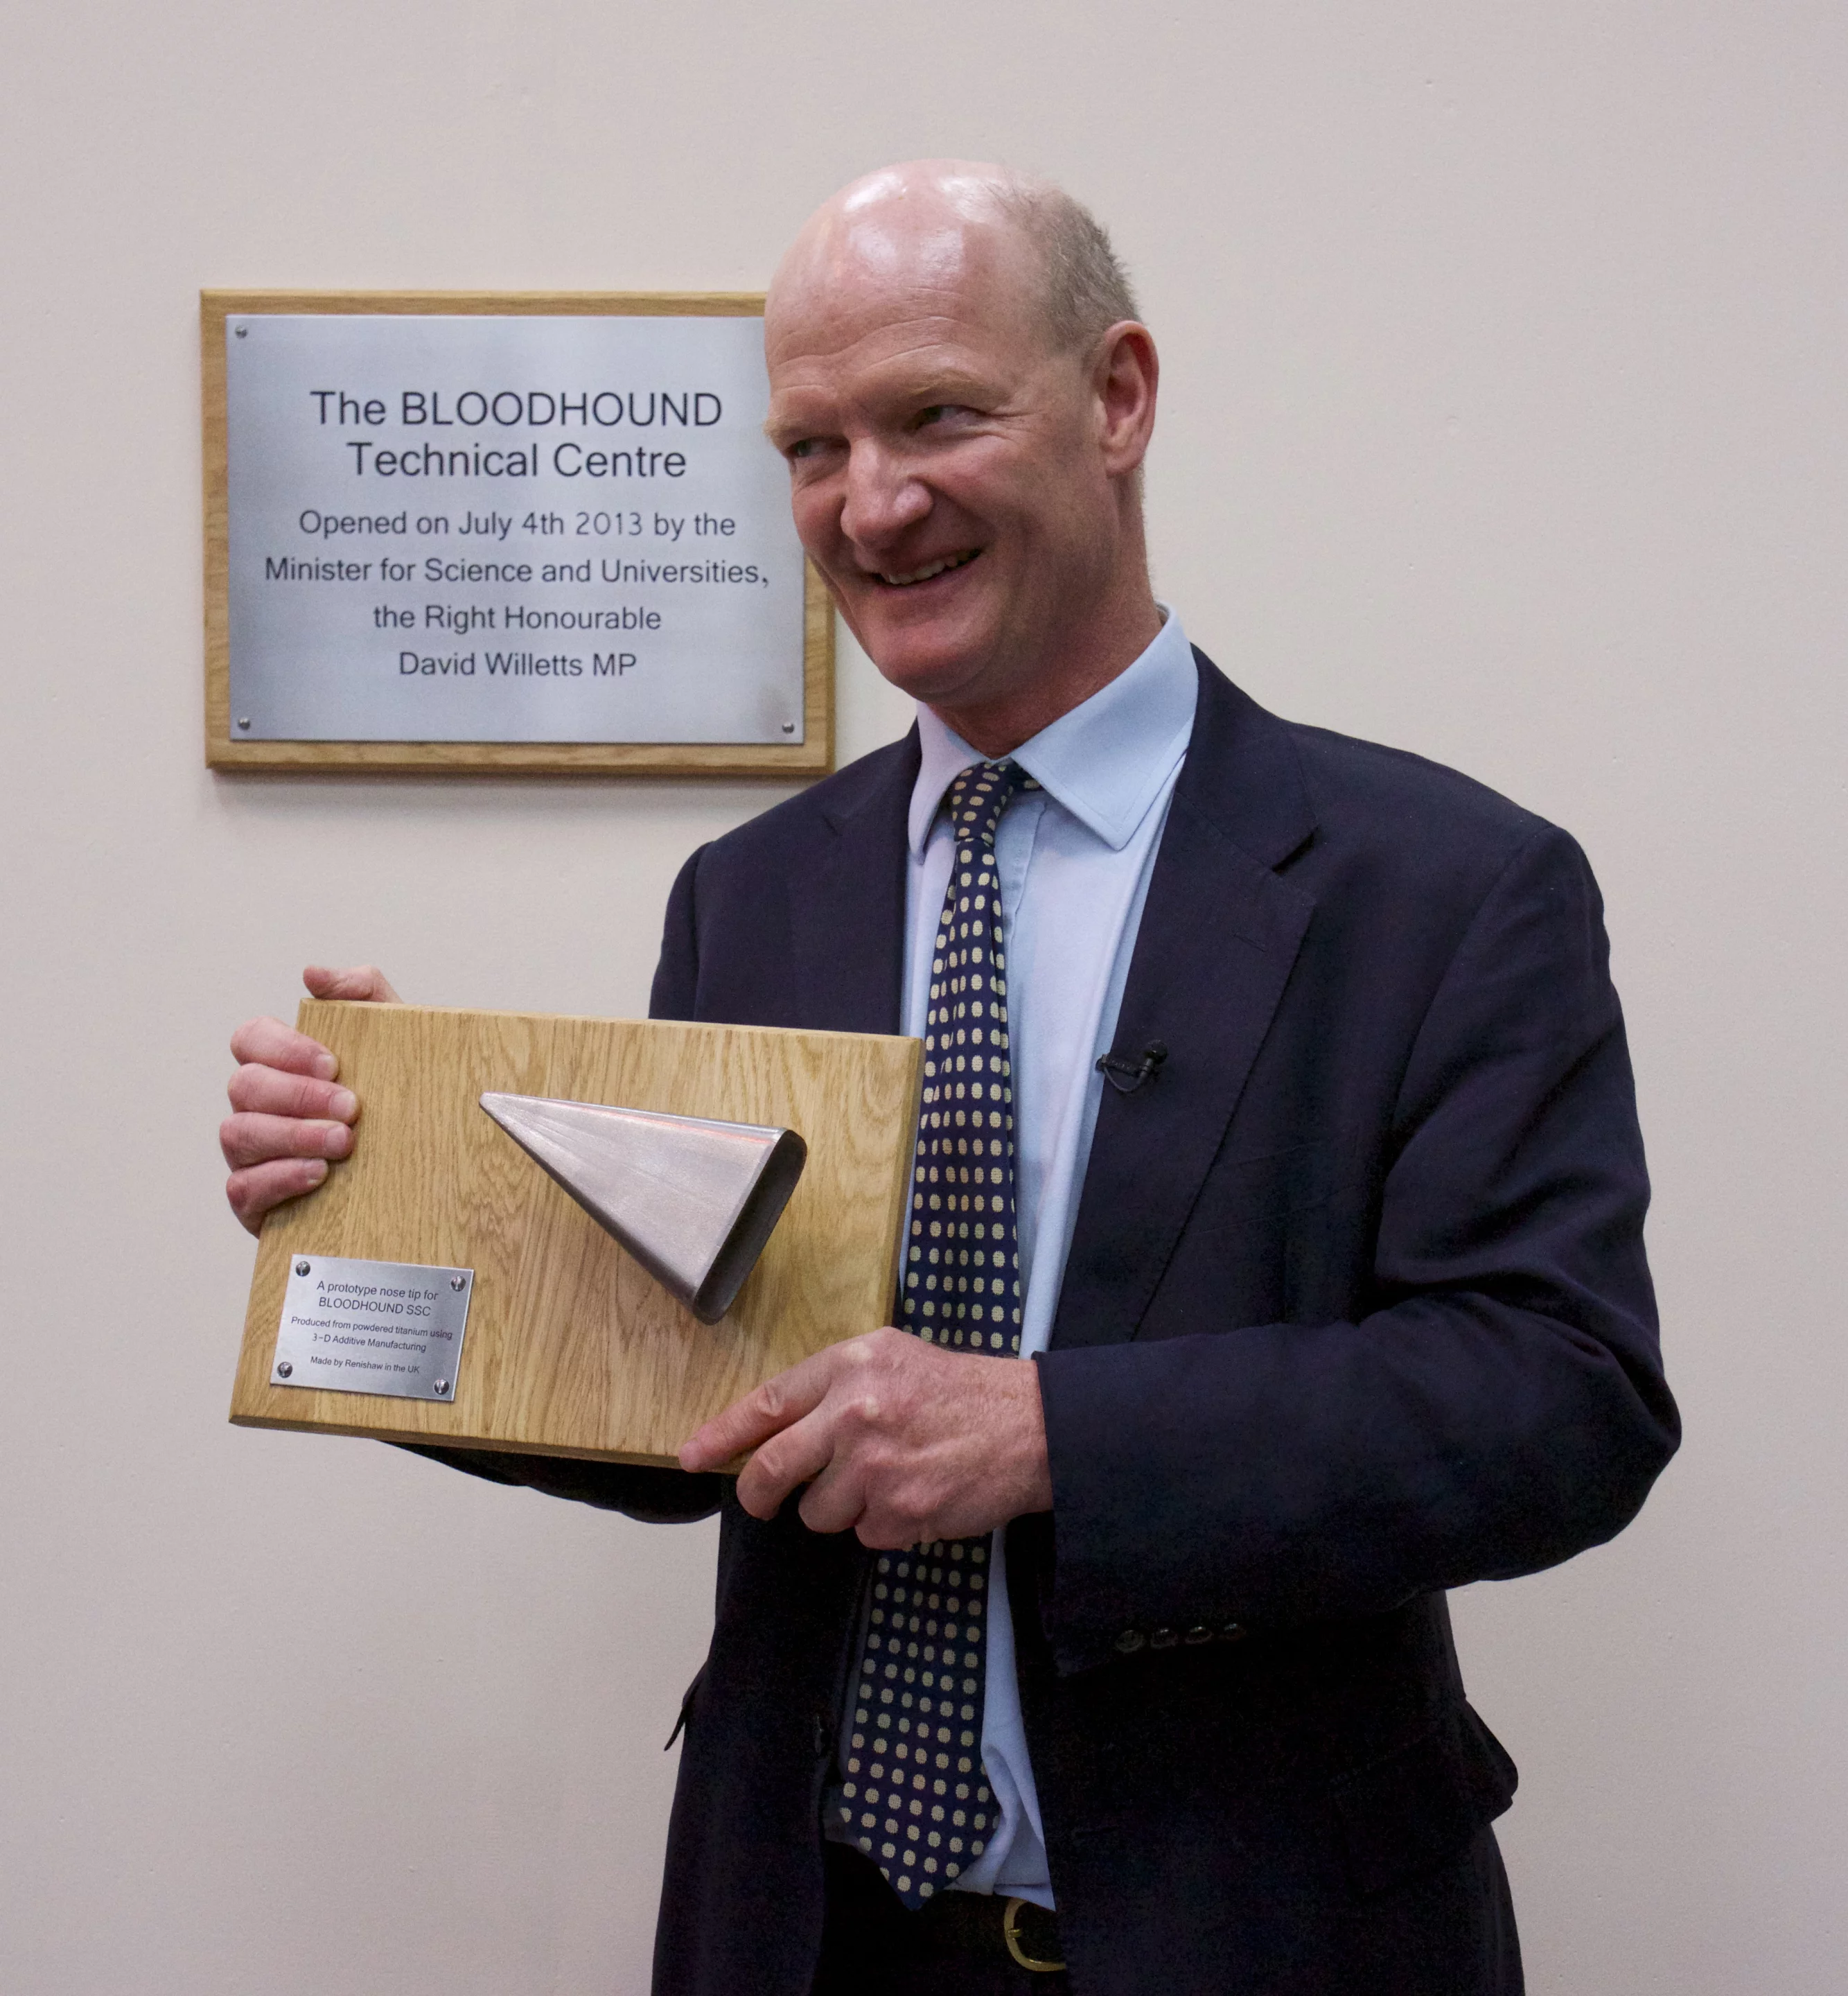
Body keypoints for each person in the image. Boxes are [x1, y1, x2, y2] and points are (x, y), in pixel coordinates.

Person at [221, 162, 1679, 1996]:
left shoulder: (1450, 889)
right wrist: (377, 1202)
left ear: (1119, 399)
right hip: (809, 1932)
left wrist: (1051, 1435)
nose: (873, 502)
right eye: (813, 447)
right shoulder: (750, 896)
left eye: (934, 418)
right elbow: (694, 1398)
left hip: (1260, 1934)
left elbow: (1559, 1400)